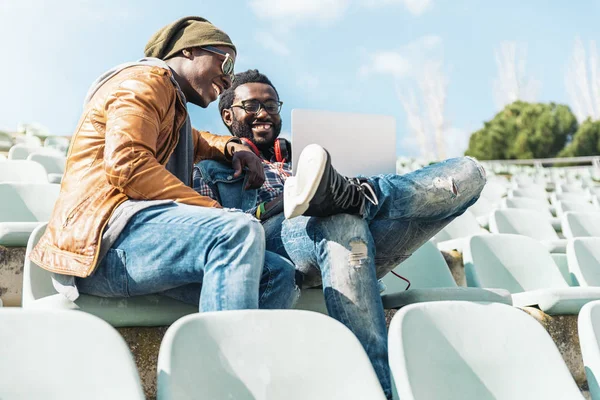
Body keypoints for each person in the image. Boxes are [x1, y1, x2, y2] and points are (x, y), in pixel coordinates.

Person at [194, 69, 487, 399]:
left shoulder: (305, 154)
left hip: (353, 246)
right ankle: (378, 388)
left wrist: (336, 191)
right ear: (227, 115)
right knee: (339, 220)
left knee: (469, 173)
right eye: (251, 105)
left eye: (271, 104)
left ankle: (355, 193)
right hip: (279, 246)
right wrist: (282, 202)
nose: (264, 112)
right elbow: (219, 233)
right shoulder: (210, 169)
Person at [29, 17, 297, 313]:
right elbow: (128, 166)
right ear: (189, 51)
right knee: (236, 229)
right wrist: (215, 212)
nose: (228, 81)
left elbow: (198, 140)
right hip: (103, 247)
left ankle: (240, 357)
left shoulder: (172, 107)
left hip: (137, 241)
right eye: (226, 65)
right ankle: (224, 358)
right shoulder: (145, 82)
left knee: (276, 273)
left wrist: (231, 146)